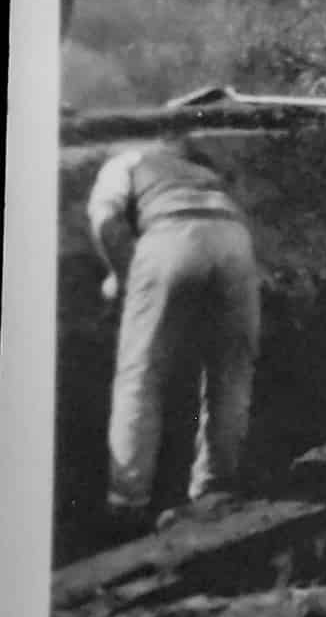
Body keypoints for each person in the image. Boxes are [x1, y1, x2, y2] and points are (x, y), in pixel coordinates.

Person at [86, 138, 260, 538]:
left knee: (141, 374)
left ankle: (127, 502)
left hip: (168, 237)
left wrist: (122, 276)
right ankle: (215, 488)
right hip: (234, 241)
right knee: (230, 372)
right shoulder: (204, 174)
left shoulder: (123, 162)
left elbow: (104, 221)